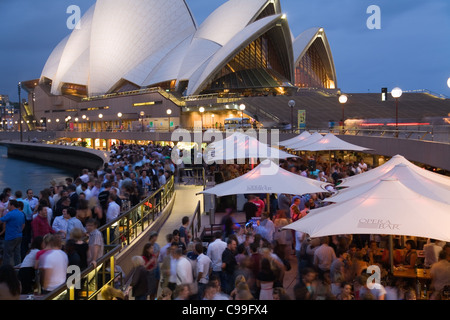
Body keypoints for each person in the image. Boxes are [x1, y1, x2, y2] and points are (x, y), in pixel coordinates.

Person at [0, 199, 25, 266]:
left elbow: (1, 221)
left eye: (8, 205)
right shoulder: (21, 213)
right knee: (17, 254)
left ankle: (7, 271)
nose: (7, 206)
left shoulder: (10, 214)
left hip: (10, 237)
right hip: (19, 236)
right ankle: (17, 269)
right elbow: (23, 225)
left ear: (12, 205)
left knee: (7, 255)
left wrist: (1, 212)